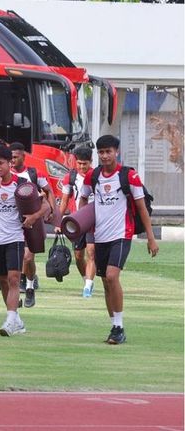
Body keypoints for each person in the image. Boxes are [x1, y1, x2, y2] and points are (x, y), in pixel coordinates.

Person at [78, 135, 158, 345]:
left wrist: (150, 238)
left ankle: (120, 326)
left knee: (112, 277)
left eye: (108, 151)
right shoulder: (92, 176)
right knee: (105, 282)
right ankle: (115, 326)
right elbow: (84, 197)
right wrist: (81, 220)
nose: (105, 156)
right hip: (100, 235)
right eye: (101, 152)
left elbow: (141, 208)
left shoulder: (128, 176)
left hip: (122, 234)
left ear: (117, 152)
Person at [0, 145, 48, 337]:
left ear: (10, 163)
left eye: (1, 163)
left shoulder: (23, 183)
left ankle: (9, 321)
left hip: (16, 238)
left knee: (14, 279)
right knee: (2, 281)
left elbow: (46, 205)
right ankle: (16, 319)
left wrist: (34, 217)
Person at [10, 141, 56, 308]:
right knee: (17, 258)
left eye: (16, 157)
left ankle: (29, 286)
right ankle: (17, 288)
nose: (13, 160)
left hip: (33, 222)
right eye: (11, 157)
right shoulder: (6, 175)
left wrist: (51, 211)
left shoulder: (34, 174)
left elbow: (48, 192)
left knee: (28, 257)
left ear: (23, 156)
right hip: (13, 223)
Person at [55, 146, 96, 297]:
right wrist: (58, 222)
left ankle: (87, 286)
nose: (82, 166)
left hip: (94, 221)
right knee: (78, 256)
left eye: (85, 163)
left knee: (91, 252)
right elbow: (64, 201)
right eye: (79, 163)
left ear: (90, 162)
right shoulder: (70, 178)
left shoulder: (96, 175)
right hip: (76, 221)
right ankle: (86, 279)